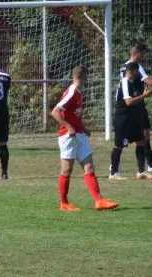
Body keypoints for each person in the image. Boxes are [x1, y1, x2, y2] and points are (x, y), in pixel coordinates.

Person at [51, 66, 119, 211]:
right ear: (85, 77)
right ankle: (64, 203)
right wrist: (69, 126)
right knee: (66, 170)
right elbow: (55, 112)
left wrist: (83, 128)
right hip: (67, 136)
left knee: (89, 167)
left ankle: (99, 201)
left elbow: (74, 115)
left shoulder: (79, 93)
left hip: (79, 135)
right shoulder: (71, 92)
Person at [117, 42, 152, 173]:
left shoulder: (123, 66)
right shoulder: (136, 67)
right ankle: (150, 165)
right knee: (144, 134)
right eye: (144, 54)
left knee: (124, 135)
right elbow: (150, 83)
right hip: (137, 103)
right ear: (138, 53)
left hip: (127, 104)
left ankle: (115, 164)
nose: (144, 57)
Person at [109, 62, 152, 181]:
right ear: (134, 71)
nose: (139, 75)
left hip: (132, 118)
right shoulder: (125, 82)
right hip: (123, 118)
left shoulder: (132, 83)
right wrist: (144, 96)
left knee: (141, 141)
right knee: (119, 145)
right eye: (138, 72)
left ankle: (141, 172)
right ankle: (113, 173)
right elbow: (128, 102)